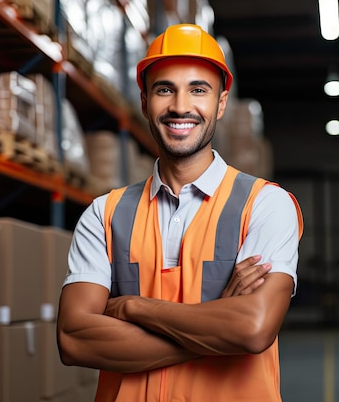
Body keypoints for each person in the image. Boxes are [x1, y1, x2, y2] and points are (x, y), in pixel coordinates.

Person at [57, 23, 303, 402]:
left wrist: (135, 307)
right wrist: (219, 323)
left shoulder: (266, 205)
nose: (180, 106)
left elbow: (253, 328)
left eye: (198, 90)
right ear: (144, 102)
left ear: (221, 103)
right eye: (164, 89)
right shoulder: (104, 214)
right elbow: (74, 340)